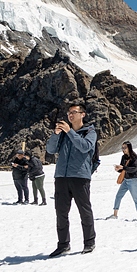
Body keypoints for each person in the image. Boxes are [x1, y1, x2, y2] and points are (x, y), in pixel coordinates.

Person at [45, 102, 97, 257]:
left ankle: (89, 243)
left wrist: (70, 132)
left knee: (84, 210)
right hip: (61, 176)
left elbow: (85, 147)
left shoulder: (90, 131)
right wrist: (55, 134)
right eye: (69, 113)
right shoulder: (63, 133)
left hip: (80, 177)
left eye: (74, 112)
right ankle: (63, 245)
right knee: (61, 212)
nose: (70, 115)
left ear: (82, 114)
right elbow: (50, 150)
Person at [108, 142, 137, 220]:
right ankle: (115, 214)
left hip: (133, 180)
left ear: (129, 148)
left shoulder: (134, 157)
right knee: (118, 196)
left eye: (125, 148)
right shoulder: (123, 157)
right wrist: (118, 169)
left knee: (136, 198)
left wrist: (123, 167)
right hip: (125, 180)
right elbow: (122, 169)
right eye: (122, 148)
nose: (123, 150)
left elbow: (134, 169)